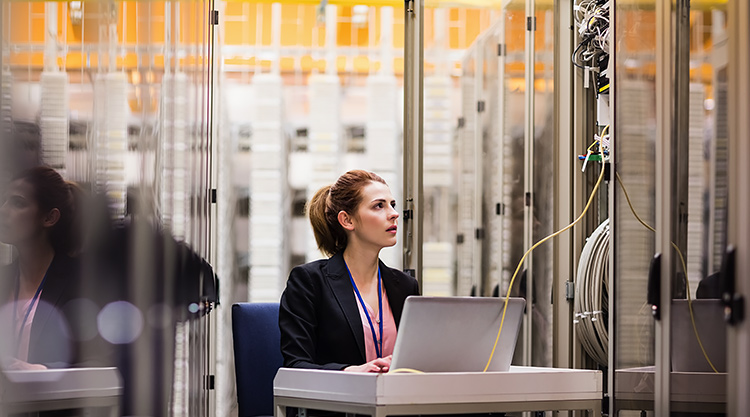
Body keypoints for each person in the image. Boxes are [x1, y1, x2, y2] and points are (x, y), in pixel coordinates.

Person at [279, 170, 420, 373]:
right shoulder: (310, 281)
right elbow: (296, 365)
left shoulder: (405, 285)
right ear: (347, 220)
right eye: (379, 205)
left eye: (393, 204)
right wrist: (351, 372)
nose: (394, 213)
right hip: (337, 403)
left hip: (395, 400)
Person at [0, 166, 84, 369]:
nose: (3, 210)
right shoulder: (4, 278)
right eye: (4, 200)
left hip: (54, 400)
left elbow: (95, 363)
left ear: (49, 218)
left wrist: (42, 373)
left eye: (17, 203)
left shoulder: (79, 281)